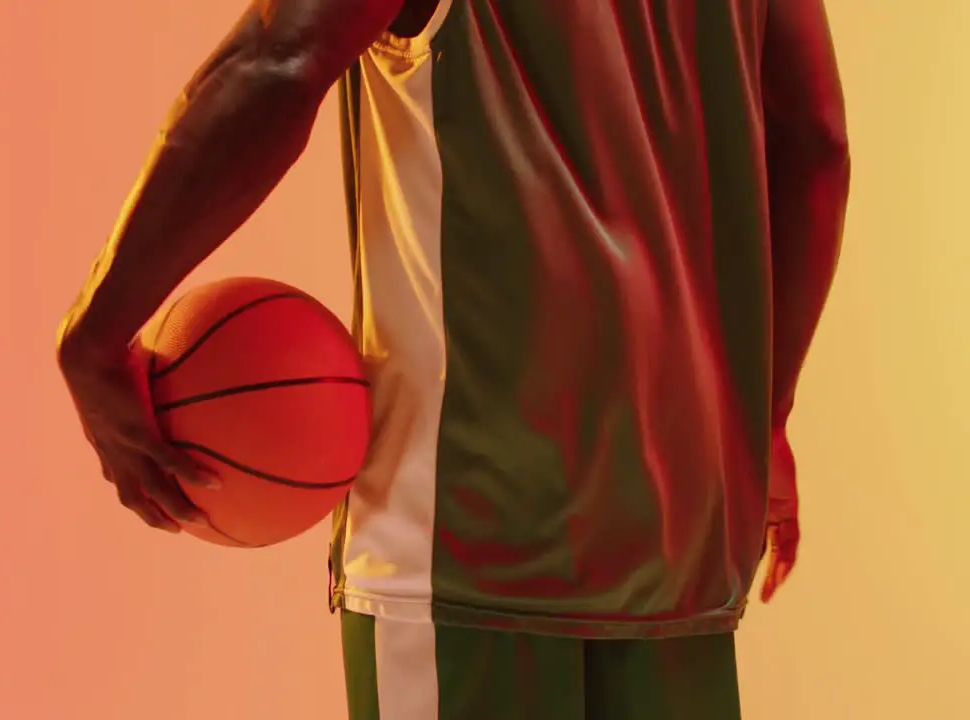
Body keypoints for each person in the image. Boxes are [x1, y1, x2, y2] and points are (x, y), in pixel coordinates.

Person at [56, 0, 850, 717]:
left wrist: (95, 335)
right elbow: (814, 140)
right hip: (683, 524)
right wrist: (764, 416)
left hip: (469, 536)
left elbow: (280, 58)